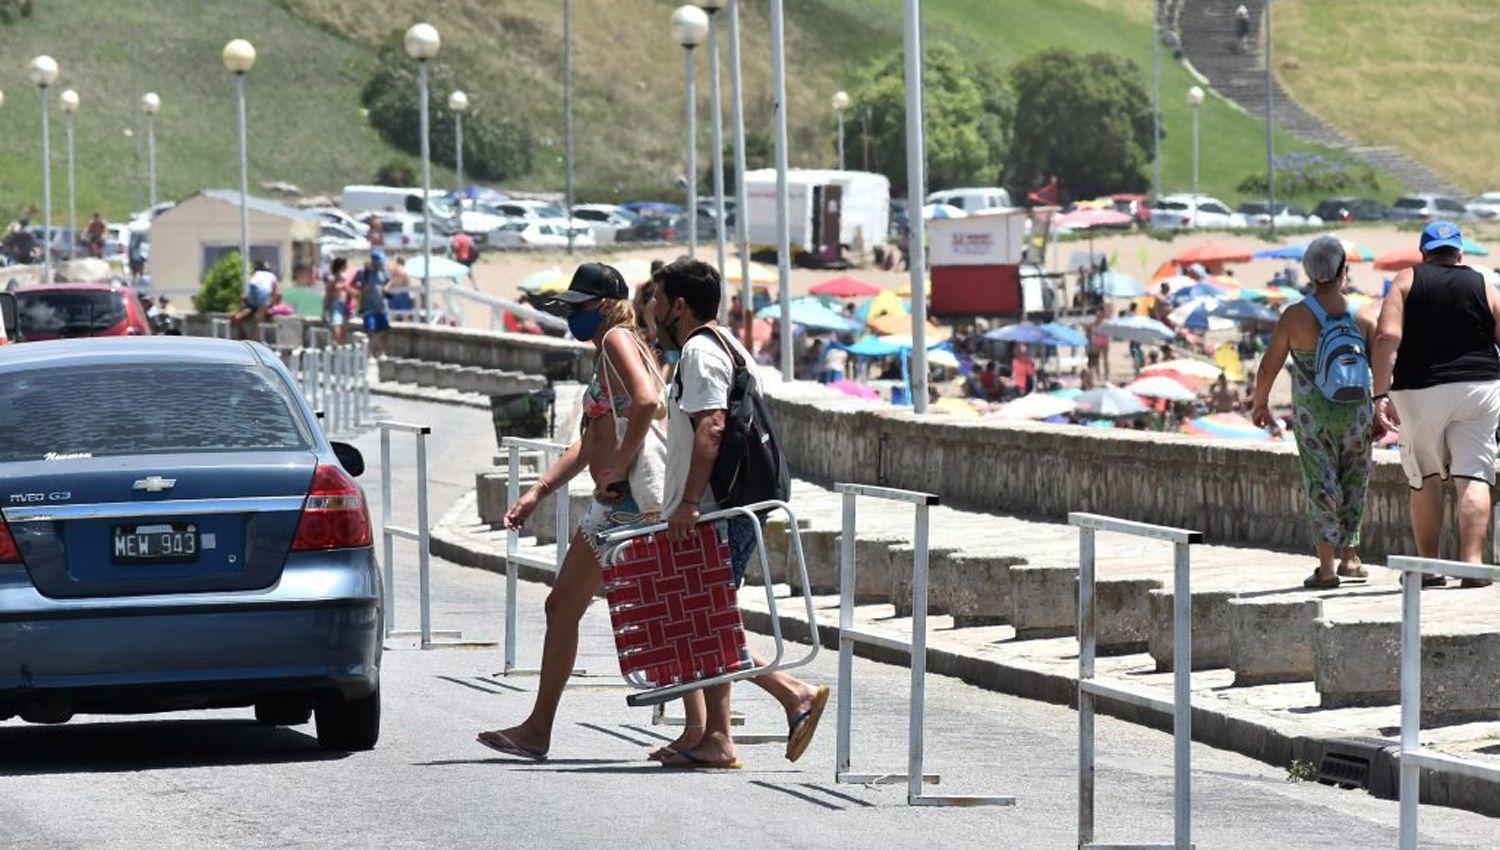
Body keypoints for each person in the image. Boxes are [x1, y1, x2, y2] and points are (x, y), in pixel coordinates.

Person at [477, 263, 670, 760]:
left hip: (622, 504)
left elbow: (648, 403)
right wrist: (538, 491)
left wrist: (617, 470)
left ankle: (538, 730)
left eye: (578, 307)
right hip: (619, 503)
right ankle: (713, 726)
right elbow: (590, 441)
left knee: (570, 608)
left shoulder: (615, 342)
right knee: (665, 611)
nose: (571, 317)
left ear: (603, 305)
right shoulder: (620, 346)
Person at [649, 257, 829, 769]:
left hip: (714, 512)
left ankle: (792, 694)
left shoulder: (701, 353)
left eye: (659, 301)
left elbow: (711, 427)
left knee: (708, 624)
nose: (653, 309)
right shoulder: (724, 344)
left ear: (678, 306)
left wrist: (687, 504)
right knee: (706, 621)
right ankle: (716, 737)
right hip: (719, 509)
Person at [1372, 222, 1500, 588]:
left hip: (1420, 390)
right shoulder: (1481, 282)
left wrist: (1380, 395)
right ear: (1459, 251)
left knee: (1426, 476)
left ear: (1424, 252)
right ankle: (1472, 566)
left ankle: (1430, 567)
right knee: (1474, 474)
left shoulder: (1406, 280)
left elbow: (1386, 337)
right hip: (1480, 386)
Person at [1251, 236, 1375, 589]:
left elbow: (1270, 365)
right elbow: (1381, 367)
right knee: (1354, 479)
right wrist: (1380, 409)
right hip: (1356, 413)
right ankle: (1350, 557)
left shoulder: (1294, 316)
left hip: (1313, 416)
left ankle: (1327, 567)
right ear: (1343, 273)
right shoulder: (1363, 314)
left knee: (1320, 483)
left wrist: (1260, 402)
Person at [355, 251, 392, 357]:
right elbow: (354, 284)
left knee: (383, 331)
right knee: (370, 331)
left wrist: (386, 288)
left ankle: (383, 353)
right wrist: (361, 288)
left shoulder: (383, 272)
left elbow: (388, 281)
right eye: (379, 263)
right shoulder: (364, 272)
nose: (381, 265)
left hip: (381, 307)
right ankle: (369, 355)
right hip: (368, 307)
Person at [232, 260, 276, 340]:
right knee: (259, 318)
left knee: (249, 309)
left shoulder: (256, 273)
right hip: (263, 292)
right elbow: (274, 293)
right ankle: (253, 339)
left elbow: (249, 293)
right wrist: (269, 305)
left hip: (252, 292)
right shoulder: (271, 276)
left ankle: (240, 333)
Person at [322, 257, 353, 344]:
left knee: (344, 329)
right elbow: (327, 295)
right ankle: (337, 345)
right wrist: (324, 310)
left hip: (345, 305)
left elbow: (351, 293)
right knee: (336, 326)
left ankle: (341, 348)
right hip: (335, 304)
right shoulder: (332, 279)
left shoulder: (346, 278)